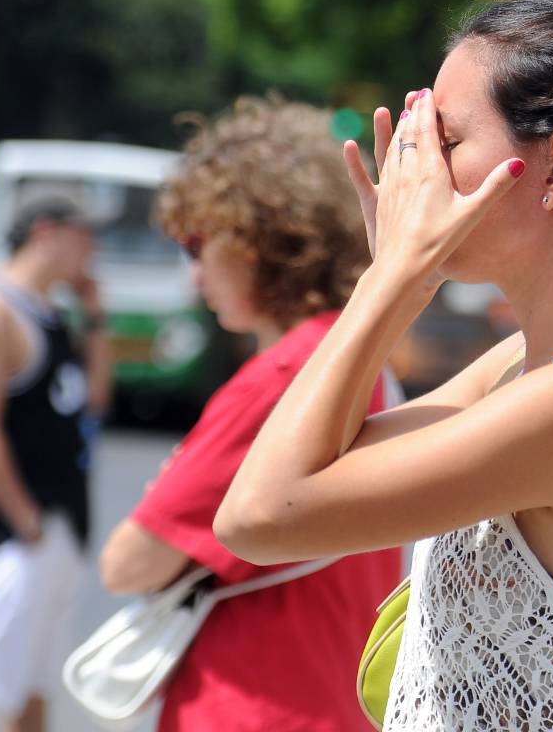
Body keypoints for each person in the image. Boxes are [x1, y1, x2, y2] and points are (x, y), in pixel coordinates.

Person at [214, 0, 553, 730]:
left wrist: (392, 279)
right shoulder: (526, 363)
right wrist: (400, 280)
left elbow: (260, 515)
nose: (418, 174)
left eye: (445, 142)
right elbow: (320, 460)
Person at [96, 97, 402, 731]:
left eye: (197, 242)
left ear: (257, 238)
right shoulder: (355, 352)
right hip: (332, 695)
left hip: (252, 702)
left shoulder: (286, 377)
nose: (193, 269)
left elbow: (127, 564)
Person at [0, 197, 111, 732]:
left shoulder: (50, 310)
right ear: (45, 232)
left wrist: (97, 317)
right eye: (83, 237)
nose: (92, 251)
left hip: (58, 521)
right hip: (12, 532)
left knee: (31, 692)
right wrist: (26, 521)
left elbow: (95, 402)